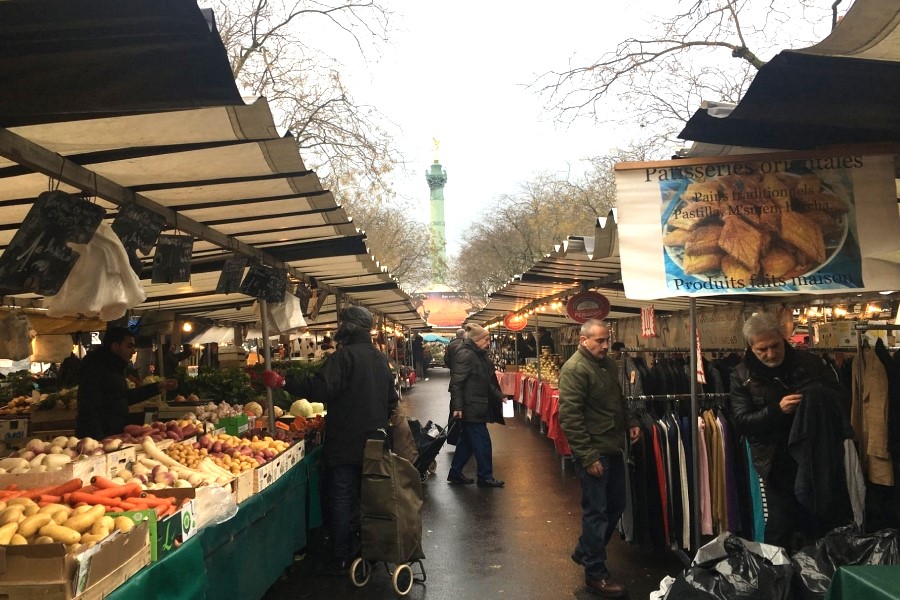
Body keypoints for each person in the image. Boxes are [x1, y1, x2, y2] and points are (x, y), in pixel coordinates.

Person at [263, 306, 398, 574]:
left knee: (342, 496)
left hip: (345, 441)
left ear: (350, 327)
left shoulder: (344, 357)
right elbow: (392, 400)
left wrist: (283, 381)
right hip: (375, 442)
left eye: (342, 322)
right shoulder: (380, 359)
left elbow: (320, 388)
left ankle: (341, 555)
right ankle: (367, 549)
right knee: (369, 495)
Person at [728, 311, 851, 551]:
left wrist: (816, 398)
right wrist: (777, 410)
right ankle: (779, 577)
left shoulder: (810, 363)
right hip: (775, 461)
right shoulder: (742, 375)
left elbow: (842, 399)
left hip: (815, 453)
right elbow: (742, 421)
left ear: (783, 338)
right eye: (762, 349)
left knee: (820, 518)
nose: (770, 354)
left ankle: (821, 576)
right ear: (751, 347)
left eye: (775, 346)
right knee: (781, 523)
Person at [558, 319, 640, 599]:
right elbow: (570, 417)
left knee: (616, 505)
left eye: (607, 340)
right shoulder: (575, 370)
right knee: (597, 512)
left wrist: (630, 421)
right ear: (584, 341)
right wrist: (588, 456)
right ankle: (595, 574)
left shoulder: (607, 364)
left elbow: (618, 398)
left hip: (613, 446)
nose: (606, 345)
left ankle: (585, 550)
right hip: (595, 451)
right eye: (600, 341)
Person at [76, 327, 178, 439]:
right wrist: (98, 440)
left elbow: (123, 397)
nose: (134, 351)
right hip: (100, 436)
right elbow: (90, 409)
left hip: (113, 432)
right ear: (115, 346)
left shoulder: (115, 367)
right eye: (129, 346)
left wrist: (157, 387)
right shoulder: (96, 369)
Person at [447, 323, 506, 488]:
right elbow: (456, 383)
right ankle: (485, 476)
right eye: (486, 339)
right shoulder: (466, 355)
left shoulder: (479, 355)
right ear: (477, 340)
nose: (488, 342)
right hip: (470, 407)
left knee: (466, 442)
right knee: (483, 442)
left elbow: (486, 381)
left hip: (475, 405)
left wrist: (499, 396)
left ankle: (455, 473)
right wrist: (458, 408)